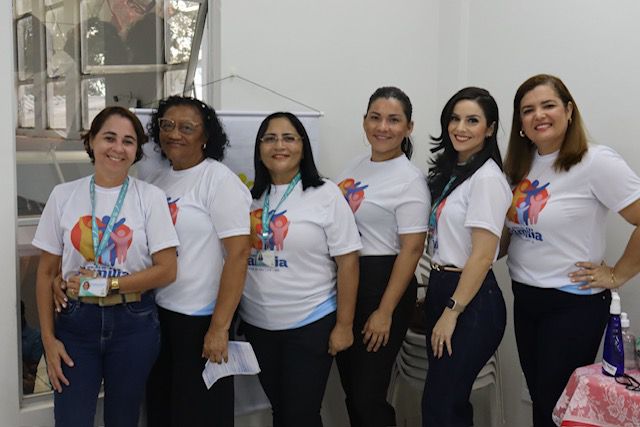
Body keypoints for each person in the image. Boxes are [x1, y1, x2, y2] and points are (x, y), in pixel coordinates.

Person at [503, 74, 640, 427]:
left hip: (572, 304)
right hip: (526, 297)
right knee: (540, 400)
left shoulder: (595, 161)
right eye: (528, 110)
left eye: (548, 105)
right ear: (520, 123)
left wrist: (617, 274)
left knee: (555, 407)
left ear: (568, 110)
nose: (538, 115)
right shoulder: (521, 165)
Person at [34, 106, 179, 427]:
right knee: (71, 420)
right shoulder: (63, 195)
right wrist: (48, 340)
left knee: (123, 419)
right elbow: (45, 274)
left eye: (128, 141)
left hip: (133, 324)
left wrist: (109, 285)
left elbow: (167, 269)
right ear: (91, 142)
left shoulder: (150, 197)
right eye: (109, 138)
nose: (118, 148)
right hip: (76, 323)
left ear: (136, 151)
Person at [239, 112, 361, 427]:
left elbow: (348, 262)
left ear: (303, 147)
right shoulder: (248, 198)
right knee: (281, 410)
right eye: (270, 138)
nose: (279, 146)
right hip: (258, 324)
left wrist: (344, 325)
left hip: (310, 322)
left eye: (289, 138)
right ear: (259, 149)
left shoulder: (326, 194)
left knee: (301, 415)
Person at [142, 96, 252, 427]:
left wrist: (219, 327)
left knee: (200, 415)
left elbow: (239, 255)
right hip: (159, 315)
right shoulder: (156, 182)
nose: (174, 134)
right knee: (163, 410)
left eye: (187, 127)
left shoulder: (218, 180)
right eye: (167, 125)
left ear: (206, 136)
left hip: (201, 320)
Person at [335, 86, 430, 427]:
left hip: (383, 284)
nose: (383, 127)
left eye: (393, 120)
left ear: (409, 127)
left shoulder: (410, 180)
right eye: (375, 118)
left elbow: (412, 249)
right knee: (351, 389)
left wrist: (385, 312)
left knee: (368, 395)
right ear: (364, 121)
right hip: (348, 282)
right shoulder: (354, 166)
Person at [421, 87, 510, 426]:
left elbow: (483, 256)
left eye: (472, 120)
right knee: (445, 402)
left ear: (489, 129)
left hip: (470, 300)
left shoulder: (486, 179)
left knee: (443, 405)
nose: (460, 128)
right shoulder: (456, 174)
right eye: (454, 119)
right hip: (443, 286)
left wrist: (452, 311)